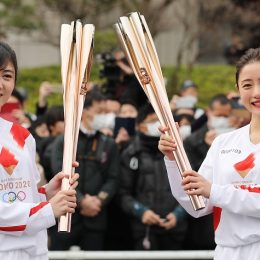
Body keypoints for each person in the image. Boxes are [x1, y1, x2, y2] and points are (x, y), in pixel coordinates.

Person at [158, 47, 260, 260]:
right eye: (247, 85)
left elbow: (211, 192)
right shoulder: (223, 143)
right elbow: (197, 204)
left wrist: (214, 190)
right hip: (228, 253)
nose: (256, 92)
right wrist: (173, 158)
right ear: (238, 90)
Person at [0, 41, 79, 260]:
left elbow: (19, 195)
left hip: (33, 251)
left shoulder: (22, 135)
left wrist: (46, 194)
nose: (1, 84)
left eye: (7, 76)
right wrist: (46, 211)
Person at [49, 90, 119, 251]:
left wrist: (98, 200)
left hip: (96, 216)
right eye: (100, 112)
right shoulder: (65, 141)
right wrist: (81, 201)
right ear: (85, 111)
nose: (105, 116)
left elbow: (113, 178)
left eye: (106, 112)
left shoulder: (109, 143)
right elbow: (61, 175)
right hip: (66, 216)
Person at [120, 103, 187, 250]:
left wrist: (178, 214)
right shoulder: (131, 154)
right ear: (139, 125)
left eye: (160, 122)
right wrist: (141, 212)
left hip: (175, 229)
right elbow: (123, 193)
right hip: (144, 229)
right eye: (152, 121)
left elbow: (191, 187)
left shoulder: (180, 152)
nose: (157, 126)